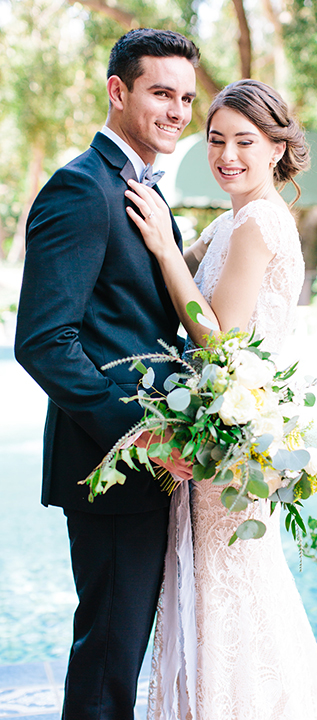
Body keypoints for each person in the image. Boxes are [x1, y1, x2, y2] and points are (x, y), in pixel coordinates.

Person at [126, 79, 317, 719]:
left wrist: (169, 248)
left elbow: (217, 334)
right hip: (227, 440)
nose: (227, 154)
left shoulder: (258, 221)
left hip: (233, 446)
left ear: (278, 148)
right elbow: (174, 282)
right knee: (227, 589)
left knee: (232, 593)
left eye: (245, 141)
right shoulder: (233, 221)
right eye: (216, 139)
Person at [14, 28, 199, 720]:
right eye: (160, 92)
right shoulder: (82, 189)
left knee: (118, 655)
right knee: (107, 661)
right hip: (110, 468)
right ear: (119, 92)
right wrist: (140, 435)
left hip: (147, 467)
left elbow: (141, 325)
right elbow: (44, 340)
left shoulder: (140, 188)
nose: (177, 111)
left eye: (185, 97)